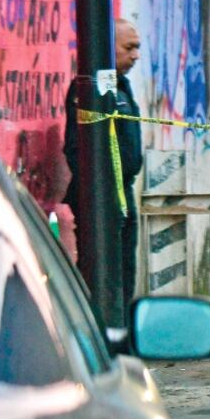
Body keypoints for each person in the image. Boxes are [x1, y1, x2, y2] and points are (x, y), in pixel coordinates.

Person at [62, 18, 143, 309]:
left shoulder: (121, 86)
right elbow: (75, 149)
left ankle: (122, 327)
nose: (136, 55)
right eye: (129, 47)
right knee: (101, 277)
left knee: (124, 272)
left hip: (124, 196)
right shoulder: (86, 90)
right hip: (99, 200)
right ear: (109, 47)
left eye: (137, 48)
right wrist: (101, 195)